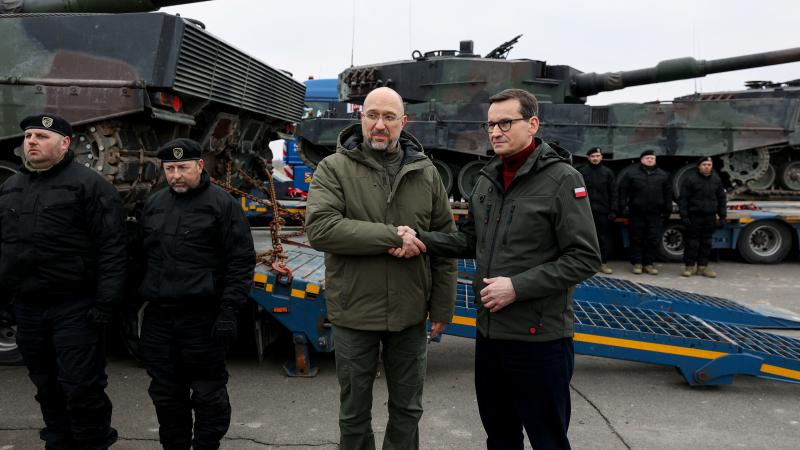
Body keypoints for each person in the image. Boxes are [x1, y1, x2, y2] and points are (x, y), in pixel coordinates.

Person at [397, 89, 600, 450]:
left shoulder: (562, 179)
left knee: (548, 439)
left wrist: (517, 287)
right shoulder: (486, 179)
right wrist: (422, 239)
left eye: (506, 122)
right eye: (491, 124)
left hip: (540, 339)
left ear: (532, 124)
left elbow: (584, 257)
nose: (496, 131)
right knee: (500, 437)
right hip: (491, 338)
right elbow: (470, 239)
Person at [305, 87, 457, 450]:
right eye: (372, 115)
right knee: (354, 411)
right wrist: (391, 236)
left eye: (389, 117)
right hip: (354, 311)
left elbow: (445, 243)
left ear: (403, 123)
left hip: (409, 311)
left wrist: (442, 306)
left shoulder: (426, 174)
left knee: (407, 408)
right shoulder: (333, 169)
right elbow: (321, 228)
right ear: (361, 118)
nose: (379, 124)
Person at [0, 113, 126, 449]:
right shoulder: (11, 188)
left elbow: (113, 247)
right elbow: (5, 249)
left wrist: (106, 302)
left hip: (76, 307)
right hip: (28, 307)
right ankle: (57, 441)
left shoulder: (90, 185)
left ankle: (92, 443)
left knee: (81, 386)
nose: (32, 142)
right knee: (45, 383)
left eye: (41, 136)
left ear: (65, 143)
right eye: (28, 136)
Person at [136, 138, 255, 450]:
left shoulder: (222, 205)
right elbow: (138, 258)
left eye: (183, 168)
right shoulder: (155, 204)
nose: (176, 175)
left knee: (208, 394)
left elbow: (239, 262)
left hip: (204, 319)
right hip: (160, 319)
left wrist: (229, 312)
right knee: (165, 394)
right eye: (170, 168)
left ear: (200, 166)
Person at [617, 150, 672, 275]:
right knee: (637, 238)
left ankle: (649, 264)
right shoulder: (631, 174)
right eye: (647, 158)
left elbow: (668, 193)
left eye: (652, 158)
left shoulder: (663, 175)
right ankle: (637, 263)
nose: (650, 160)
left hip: (655, 213)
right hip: (637, 212)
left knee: (652, 239)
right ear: (641, 160)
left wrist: (668, 209)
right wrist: (623, 207)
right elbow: (623, 191)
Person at [679, 156, 726, 278]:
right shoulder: (690, 179)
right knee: (692, 242)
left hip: (710, 216)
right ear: (699, 166)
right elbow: (683, 199)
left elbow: (721, 198)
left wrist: (722, 216)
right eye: (704, 164)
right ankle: (689, 267)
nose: (707, 166)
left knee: (707, 242)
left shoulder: (716, 180)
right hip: (695, 216)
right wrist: (684, 215)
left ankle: (702, 267)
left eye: (709, 164)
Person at [578, 147, 616, 274]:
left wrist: (613, 210)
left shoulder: (608, 173)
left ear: (601, 157)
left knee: (603, 239)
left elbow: (613, 193)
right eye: (593, 156)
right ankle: (584, 264)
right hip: (585, 212)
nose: (595, 158)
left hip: (603, 212)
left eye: (597, 156)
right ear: (588, 158)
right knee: (585, 238)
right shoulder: (581, 172)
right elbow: (577, 191)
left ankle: (603, 263)